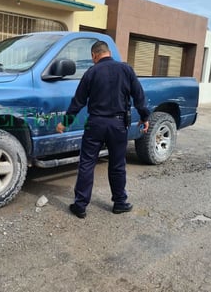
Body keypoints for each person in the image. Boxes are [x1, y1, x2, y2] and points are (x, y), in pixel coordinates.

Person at [56, 40, 150, 219]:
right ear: (108, 53)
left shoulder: (91, 72)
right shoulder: (126, 70)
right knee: (117, 164)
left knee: (87, 164)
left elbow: (79, 101)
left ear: (94, 55)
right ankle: (120, 203)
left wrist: (65, 122)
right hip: (118, 124)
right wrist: (145, 117)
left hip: (96, 124)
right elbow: (139, 96)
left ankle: (80, 205)